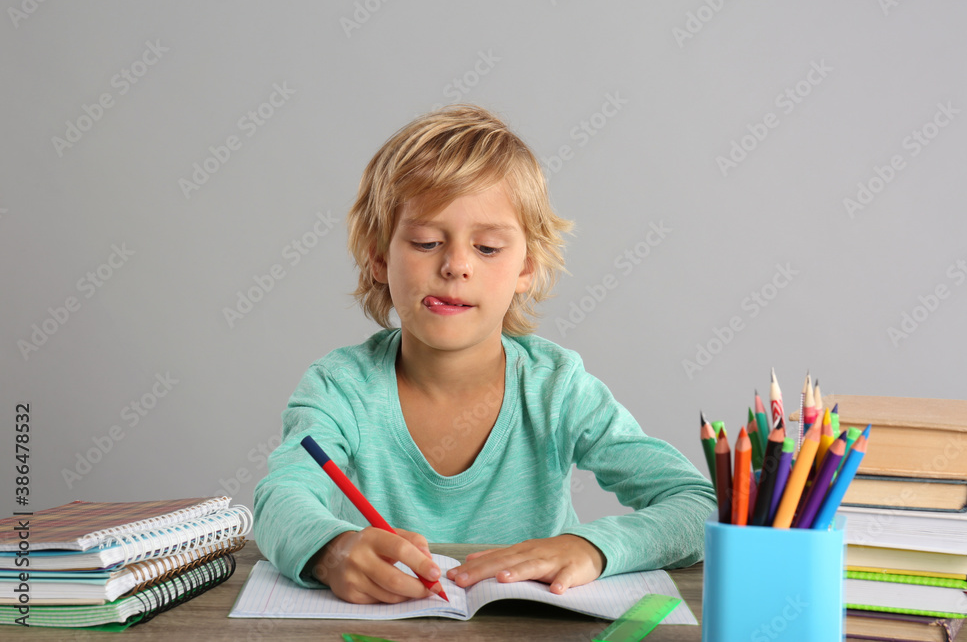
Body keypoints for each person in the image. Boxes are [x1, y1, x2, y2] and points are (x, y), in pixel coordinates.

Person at [253, 105, 715, 605]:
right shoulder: (339, 387)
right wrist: (333, 551)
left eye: (488, 248)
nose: (455, 266)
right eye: (427, 241)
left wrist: (593, 547)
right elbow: (280, 501)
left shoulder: (557, 387)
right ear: (380, 257)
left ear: (527, 268)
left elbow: (698, 505)